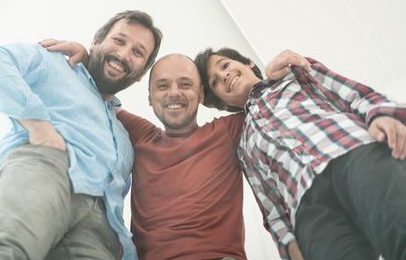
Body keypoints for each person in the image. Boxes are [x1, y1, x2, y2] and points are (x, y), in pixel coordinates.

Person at [42, 40, 301, 260]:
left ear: (201, 94)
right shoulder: (141, 135)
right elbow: (101, 98)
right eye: (163, 86)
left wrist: (267, 75)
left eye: (185, 84)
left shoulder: (228, 131)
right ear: (150, 97)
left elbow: (263, 104)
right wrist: (89, 58)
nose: (174, 93)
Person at [0, 10, 162, 260]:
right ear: (97, 41)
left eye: (137, 52)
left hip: (99, 225)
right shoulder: (55, 63)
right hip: (48, 169)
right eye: (119, 41)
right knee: (4, 252)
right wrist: (39, 125)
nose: (123, 54)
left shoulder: (123, 134)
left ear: (141, 73)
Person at [194, 48, 406, 260]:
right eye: (215, 82)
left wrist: (381, 115)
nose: (223, 75)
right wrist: (289, 246)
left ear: (248, 63)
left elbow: (355, 94)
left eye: (225, 65)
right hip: (309, 208)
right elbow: (271, 206)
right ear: (222, 103)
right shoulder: (244, 146)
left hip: (352, 154)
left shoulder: (296, 73)